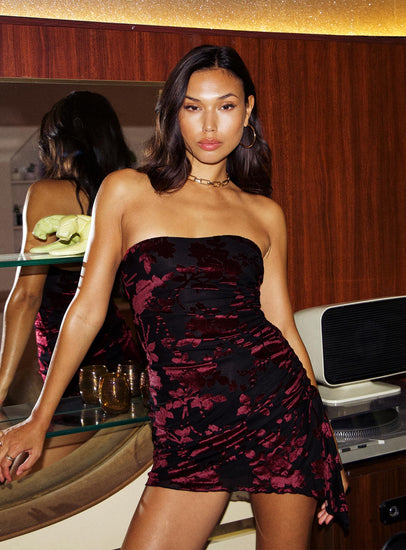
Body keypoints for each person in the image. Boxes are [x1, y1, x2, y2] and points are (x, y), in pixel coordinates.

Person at [0, 46, 348, 549]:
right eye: (192, 106)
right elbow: (87, 308)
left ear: (247, 111)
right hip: (187, 429)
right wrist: (40, 417)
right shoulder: (126, 190)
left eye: (225, 106)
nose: (209, 125)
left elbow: (282, 325)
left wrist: (325, 439)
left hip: (279, 411)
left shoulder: (264, 213)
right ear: (173, 113)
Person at [0, 91, 140, 405]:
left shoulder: (46, 193)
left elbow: (27, 296)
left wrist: (1, 386)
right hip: (120, 350)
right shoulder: (127, 191)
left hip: (66, 357)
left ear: (57, 142)